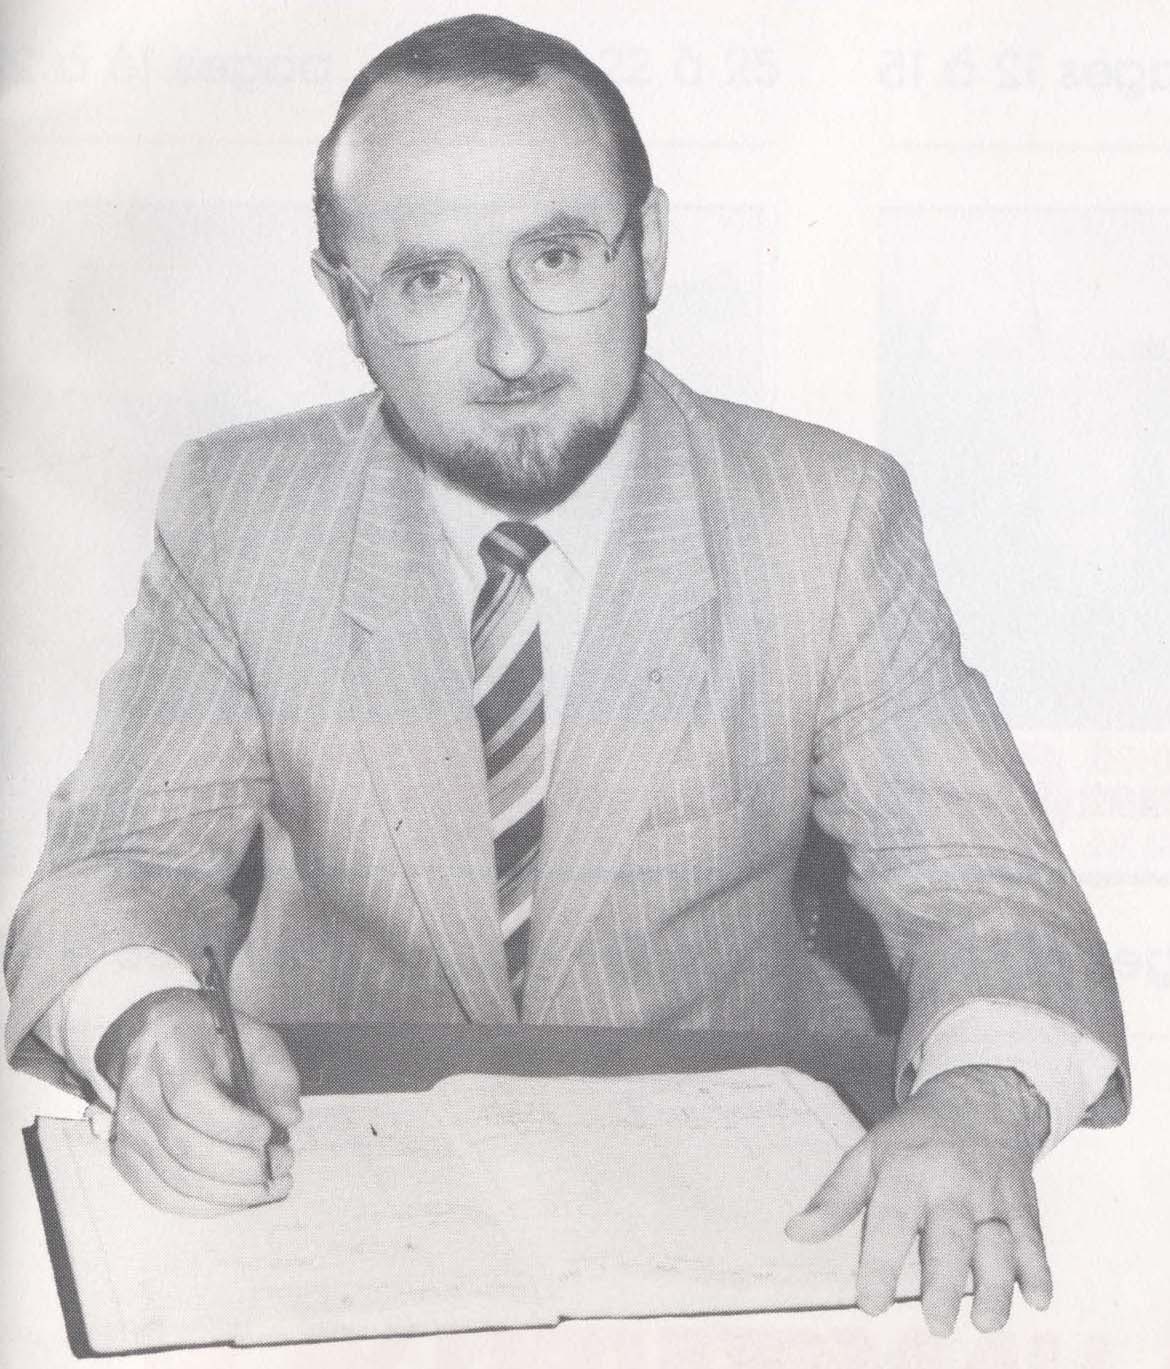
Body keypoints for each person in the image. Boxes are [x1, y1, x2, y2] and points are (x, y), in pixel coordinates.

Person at [5, 13, 1128, 1339]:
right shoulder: (240, 511)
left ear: (648, 248)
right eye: (429, 278)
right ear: (345, 305)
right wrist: (145, 1025)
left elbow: (989, 887)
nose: (511, 347)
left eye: (556, 256)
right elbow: (115, 860)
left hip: (738, 1213)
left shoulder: (824, 518)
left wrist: (980, 1098)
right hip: (329, 1186)